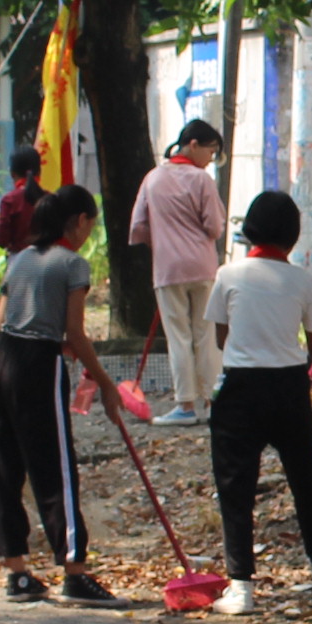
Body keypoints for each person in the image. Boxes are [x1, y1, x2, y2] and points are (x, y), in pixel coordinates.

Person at [205, 190, 312, 609]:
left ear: (250, 229)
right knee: (305, 479)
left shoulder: (227, 275)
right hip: (289, 387)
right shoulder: (303, 280)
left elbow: (220, 335)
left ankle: (242, 585)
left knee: (235, 486)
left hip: (240, 389)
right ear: (293, 235)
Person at [0, 188, 120, 607]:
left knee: (6, 466)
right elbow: (74, 333)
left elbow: (4, 321)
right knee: (56, 469)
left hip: (1, 360)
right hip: (38, 365)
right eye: (89, 226)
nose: (88, 234)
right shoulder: (72, 264)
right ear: (78, 220)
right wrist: (107, 384)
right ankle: (74, 571)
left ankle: (17, 571)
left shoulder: (19, 258)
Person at [130, 118, 229, 425]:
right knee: (205, 334)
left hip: (168, 268)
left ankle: (185, 405)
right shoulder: (201, 181)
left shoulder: (153, 178)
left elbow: (138, 227)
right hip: (202, 266)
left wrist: (163, 241)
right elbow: (214, 226)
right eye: (210, 151)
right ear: (194, 145)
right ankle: (213, 404)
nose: (211, 159)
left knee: (178, 337)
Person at [0, 144, 45, 251]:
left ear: (12, 173)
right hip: (50, 262)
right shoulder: (50, 198)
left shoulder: (9, 201)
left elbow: (1, 241)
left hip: (18, 262)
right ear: (39, 172)